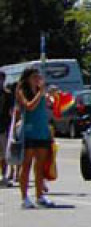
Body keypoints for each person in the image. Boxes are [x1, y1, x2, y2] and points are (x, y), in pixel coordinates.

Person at [15, 67, 54, 209]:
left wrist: (49, 97)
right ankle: (24, 197)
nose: (37, 78)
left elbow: (50, 106)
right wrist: (40, 93)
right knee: (26, 165)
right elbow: (29, 106)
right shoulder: (22, 91)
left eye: (38, 76)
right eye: (34, 77)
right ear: (27, 78)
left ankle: (40, 196)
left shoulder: (41, 92)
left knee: (40, 166)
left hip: (42, 131)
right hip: (29, 131)